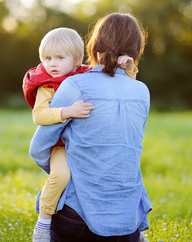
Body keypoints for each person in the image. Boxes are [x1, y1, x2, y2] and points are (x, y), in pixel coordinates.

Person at [29, 13, 152, 242]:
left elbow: (37, 149)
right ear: (136, 50)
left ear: (94, 45)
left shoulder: (74, 85)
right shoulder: (142, 92)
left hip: (78, 218)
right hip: (128, 222)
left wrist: (66, 172)